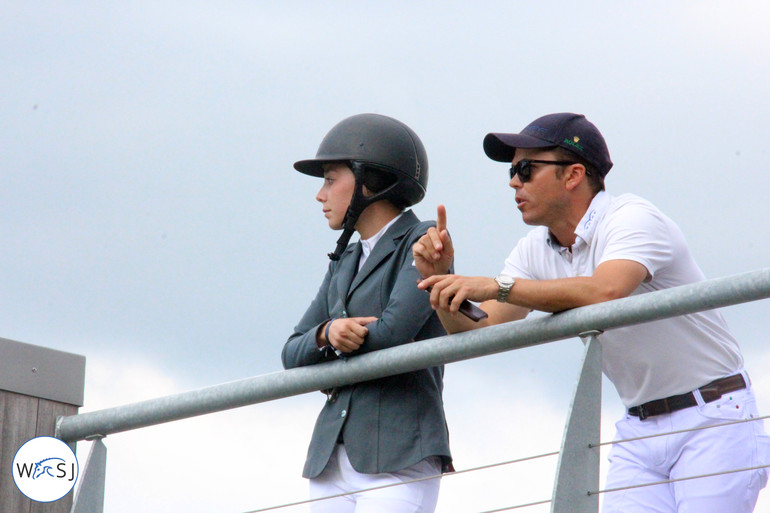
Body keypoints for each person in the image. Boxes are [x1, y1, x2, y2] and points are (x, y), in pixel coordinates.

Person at [413, 112, 770, 512]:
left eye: (526, 169)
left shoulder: (632, 217)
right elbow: (476, 330)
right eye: (513, 171)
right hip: (638, 426)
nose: (513, 181)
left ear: (574, 174)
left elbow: (607, 290)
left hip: (715, 417)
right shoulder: (534, 248)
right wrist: (441, 280)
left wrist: (498, 286)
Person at [282, 113, 452, 513]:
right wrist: (328, 333)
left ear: (369, 179)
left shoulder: (424, 239)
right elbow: (292, 351)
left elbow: (392, 332)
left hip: (398, 452)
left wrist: (329, 344)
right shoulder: (346, 257)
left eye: (329, 179)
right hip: (331, 457)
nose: (320, 195)